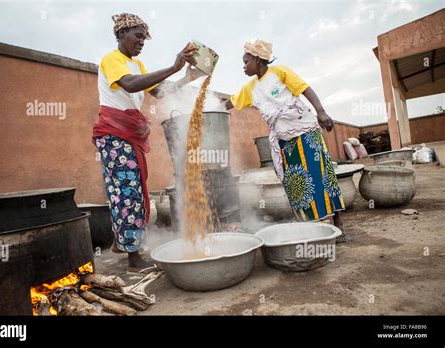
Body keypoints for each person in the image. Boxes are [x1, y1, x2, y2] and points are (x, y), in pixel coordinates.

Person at [93, 13, 205, 269]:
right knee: (127, 192)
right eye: (138, 36)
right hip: (114, 134)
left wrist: (187, 78)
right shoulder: (112, 60)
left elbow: (159, 92)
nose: (142, 42)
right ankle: (133, 256)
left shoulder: (138, 65)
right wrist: (174, 67)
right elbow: (130, 85)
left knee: (131, 189)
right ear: (121, 35)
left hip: (128, 134)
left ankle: (125, 243)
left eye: (145, 38)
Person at [225, 39, 347, 242]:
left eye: (246, 61)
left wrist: (321, 112)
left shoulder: (279, 72)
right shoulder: (250, 88)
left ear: (257, 59)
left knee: (320, 175)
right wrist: (207, 109)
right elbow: (231, 102)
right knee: (296, 183)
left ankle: (338, 223)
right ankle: (311, 226)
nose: (244, 66)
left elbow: (304, 88)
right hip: (284, 140)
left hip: (305, 131)